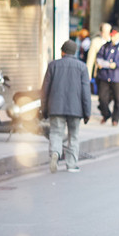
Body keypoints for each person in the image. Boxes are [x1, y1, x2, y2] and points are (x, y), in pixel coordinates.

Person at [41, 40, 92, 173]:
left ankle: (55, 153)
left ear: (62, 52)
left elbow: (45, 90)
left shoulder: (53, 65)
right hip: (76, 109)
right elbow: (86, 92)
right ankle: (71, 164)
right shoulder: (82, 67)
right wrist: (87, 112)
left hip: (56, 107)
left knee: (56, 133)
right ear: (74, 52)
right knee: (73, 136)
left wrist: (44, 109)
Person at [95, 27, 119, 126]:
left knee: (117, 99)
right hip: (105, 76)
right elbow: (99, 56)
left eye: (114, 35)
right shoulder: (106, 46)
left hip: (118, 77)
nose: (113, 38)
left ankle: (115, 119)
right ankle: (106, 114)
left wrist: (116, 64)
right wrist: (100, 63)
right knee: (102, 98)